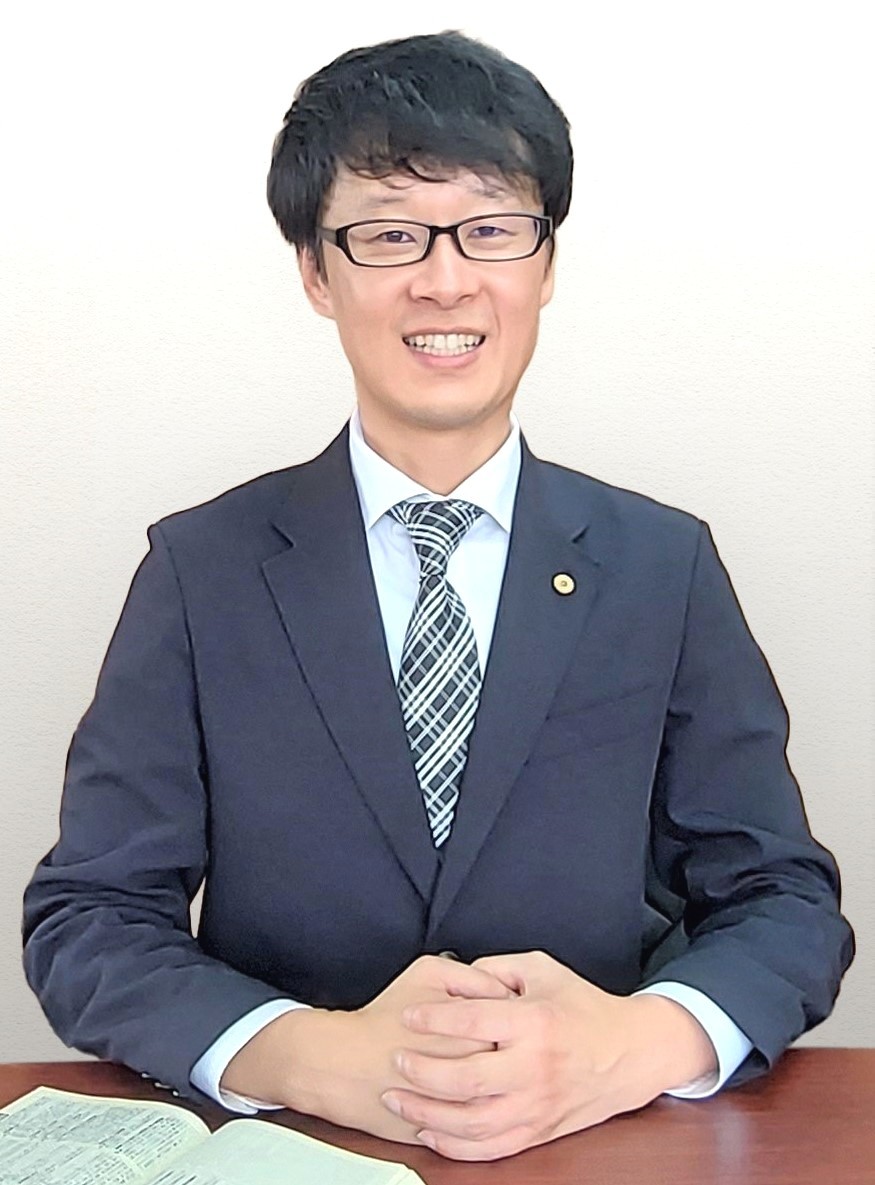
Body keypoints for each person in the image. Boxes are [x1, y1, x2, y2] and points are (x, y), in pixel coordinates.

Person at [22, 31, 853, 1161]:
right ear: (315, 273)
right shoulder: (200, 568)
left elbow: (781, 899)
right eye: (388, 234)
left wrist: (628, 1045)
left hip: (601, 1144)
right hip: (296, 1150)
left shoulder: (662, 564)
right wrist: (310, 1054)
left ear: (544, 265)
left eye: (491, 228)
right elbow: (91, 917)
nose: (445, 279)